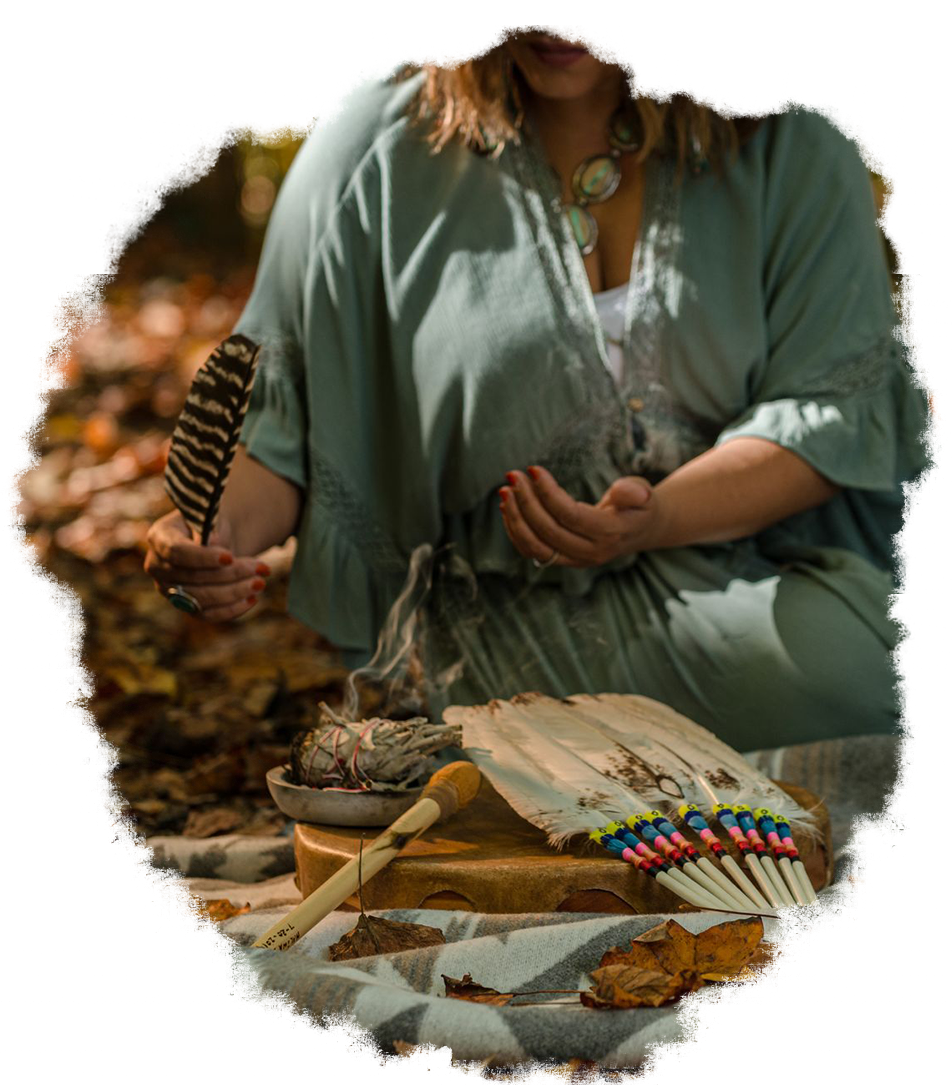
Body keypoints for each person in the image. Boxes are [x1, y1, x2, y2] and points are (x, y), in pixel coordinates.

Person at [145, 26, 952, 750]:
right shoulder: (373, 140)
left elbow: (832, 406)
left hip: (820, 527)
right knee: (847, 671)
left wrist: (659, 515)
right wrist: (208, 535)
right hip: (535, 617)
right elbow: (283, 433)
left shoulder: (778, 108)